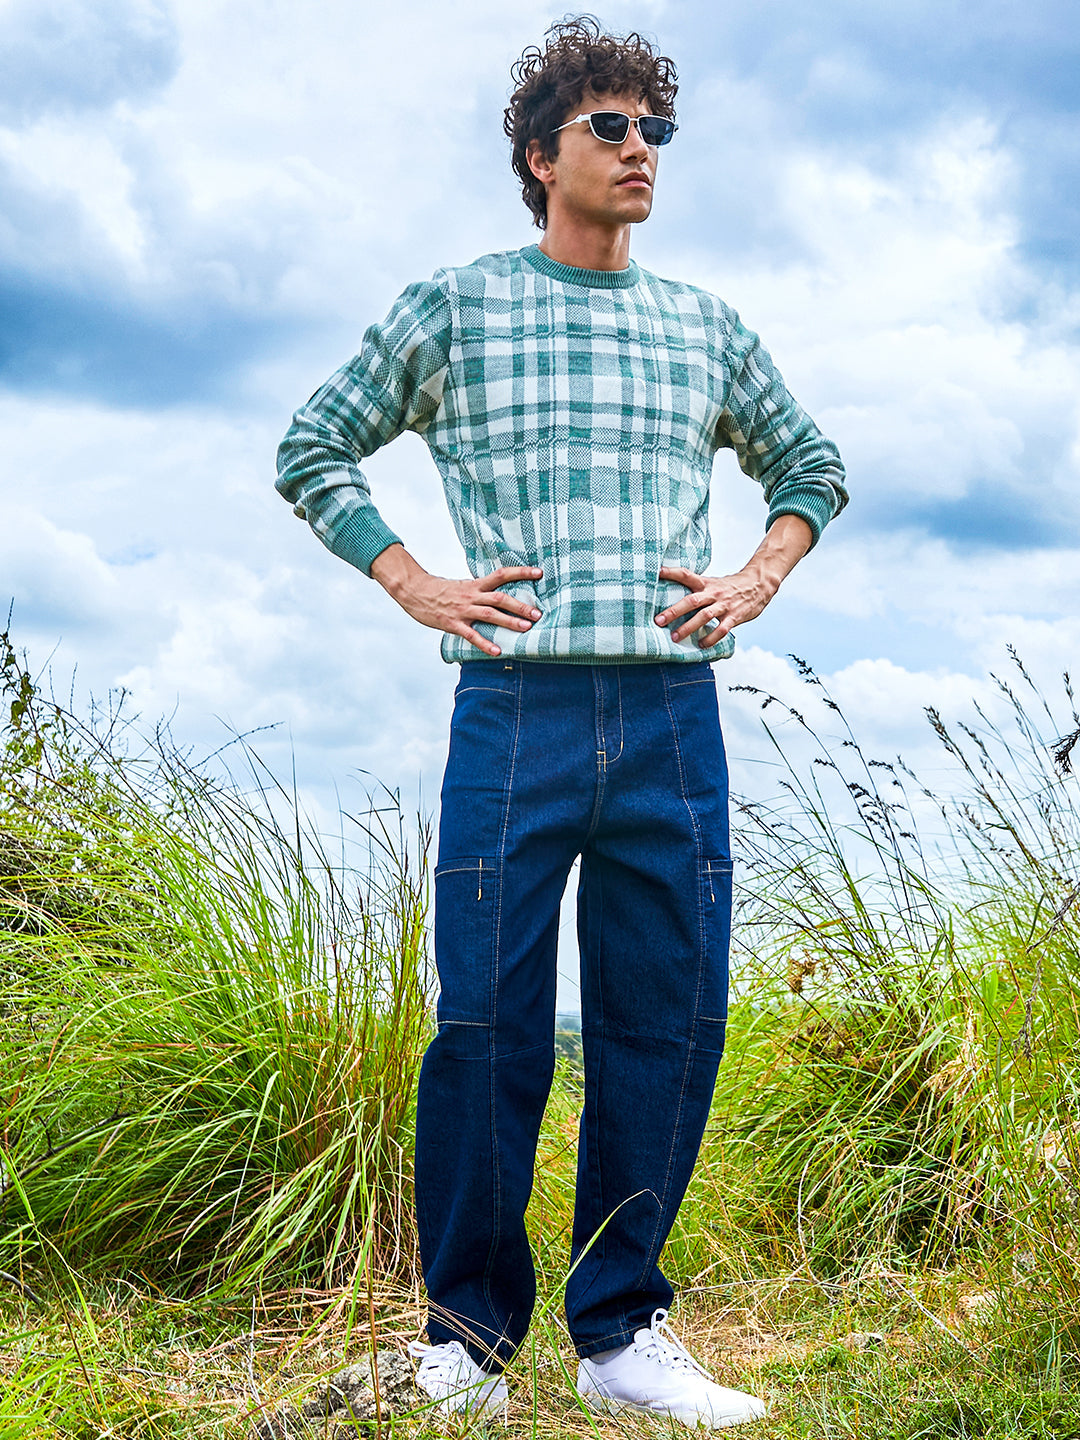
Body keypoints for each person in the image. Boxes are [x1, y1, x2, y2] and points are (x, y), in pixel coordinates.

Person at [276, 16, 847, 1430]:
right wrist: (413, 581)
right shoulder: (457, 307)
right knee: (484, 1023)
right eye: (611, 126)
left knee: (664, 1020)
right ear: (541, 156)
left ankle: (623, 1332)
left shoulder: (704, 322)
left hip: (670, 712)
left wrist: (758, 572)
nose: (641, 149)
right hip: (513, 711)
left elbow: (811, 464)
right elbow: (313, 443)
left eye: (655, 128)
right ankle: (466, 1338)